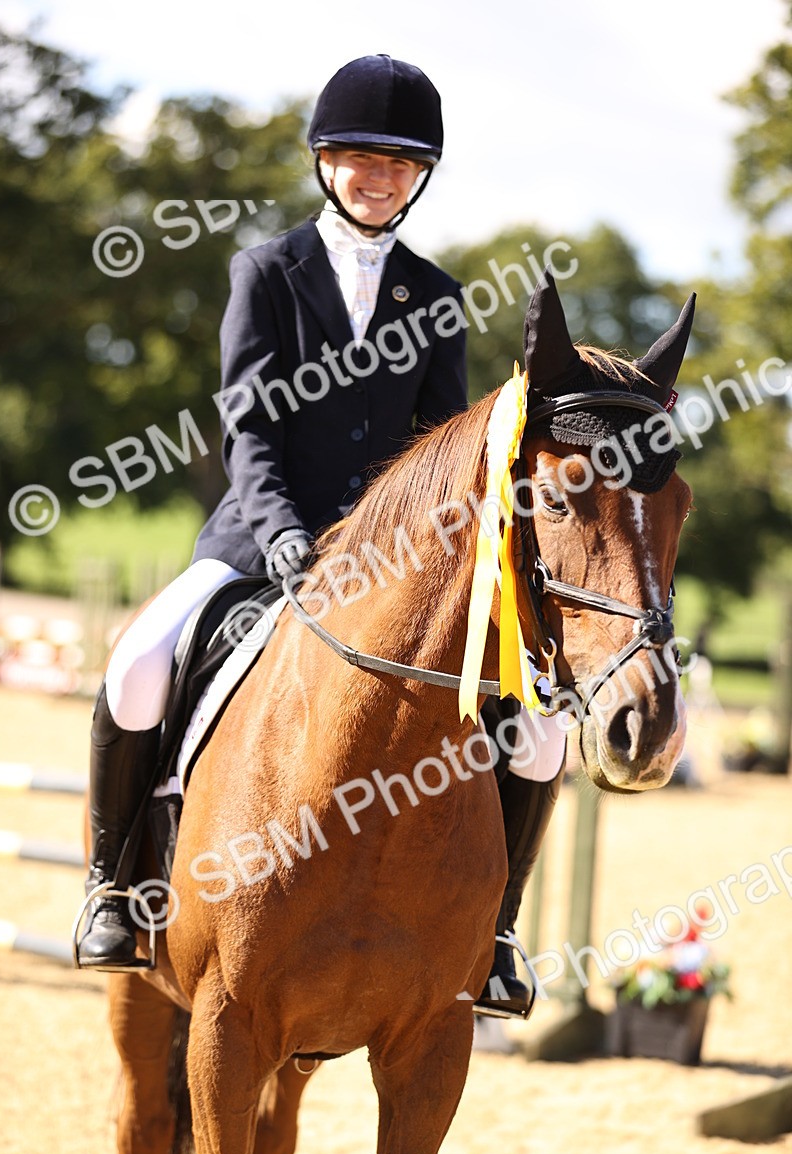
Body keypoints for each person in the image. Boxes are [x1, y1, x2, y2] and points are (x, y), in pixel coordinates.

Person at [77, 53, 565, 1021]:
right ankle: (113, 886)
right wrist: (289, 536)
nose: (376, 176)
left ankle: (496, 932)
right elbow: (247, 427)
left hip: (392, 565)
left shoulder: (432, 296)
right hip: (260, 537)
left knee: (538, 728)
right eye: (356, 157)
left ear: (418, 176)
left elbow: (434, 448)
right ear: (322, 161)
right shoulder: (265, 271)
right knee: (138, 661)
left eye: (397, 162)